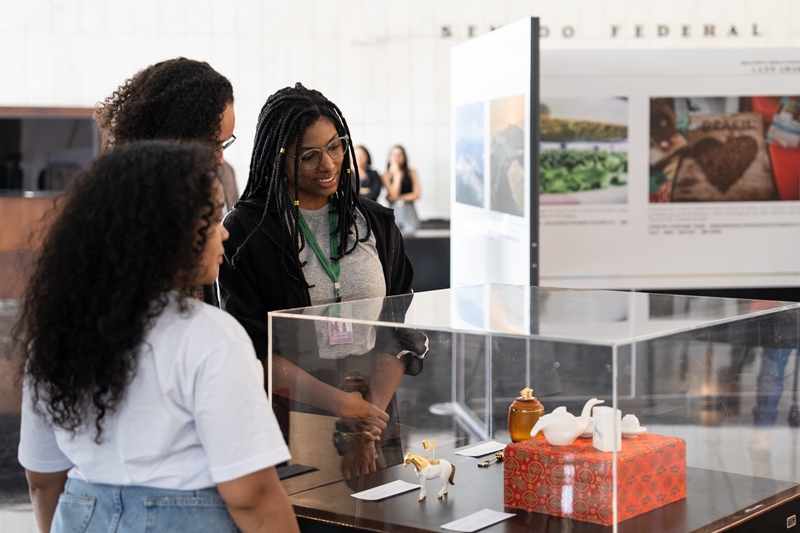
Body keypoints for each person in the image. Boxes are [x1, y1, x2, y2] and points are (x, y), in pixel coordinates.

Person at [14, 141, 299, 533]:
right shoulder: (210, 336)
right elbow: (252, 496)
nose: (224, 232)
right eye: (211, 218)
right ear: (167, 233)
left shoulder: (55, 337)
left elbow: (42, 479)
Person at [218, 83, 424, 479]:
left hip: (376, 412)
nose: (328, 165)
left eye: (335, 147)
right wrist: (343, 406)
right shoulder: (247, 232)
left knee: (381, 508)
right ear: (277, 158)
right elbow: (248, 348)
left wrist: (366, 421)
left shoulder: (375, 222)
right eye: (309, 156)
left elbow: (399, 329)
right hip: (290, 415)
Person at [94, 57, 236, 304]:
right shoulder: (126, 213)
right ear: (178, 138)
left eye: (225, 144)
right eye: (213, 145)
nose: (220, 158)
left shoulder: (211, 181)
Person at [381, 145, 421, 235]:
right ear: (389, 157)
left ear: (404, 157)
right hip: (394, 209)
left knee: (411, 234)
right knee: (394, 235)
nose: (397, 157)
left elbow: (416, 194)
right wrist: (397, 175)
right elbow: (394, 194)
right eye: (394, 155)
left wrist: (396, 197)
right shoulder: (385, 175)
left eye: (400, 155)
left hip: (409, 208)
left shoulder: (412, 172)